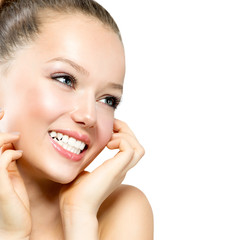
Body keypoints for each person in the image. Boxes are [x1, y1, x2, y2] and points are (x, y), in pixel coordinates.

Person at [0, 0, 153, 239]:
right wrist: (10, 233)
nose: (89, 116)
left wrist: (78, 216)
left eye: (108, 100)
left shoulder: (121, 210)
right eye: (65, 80)